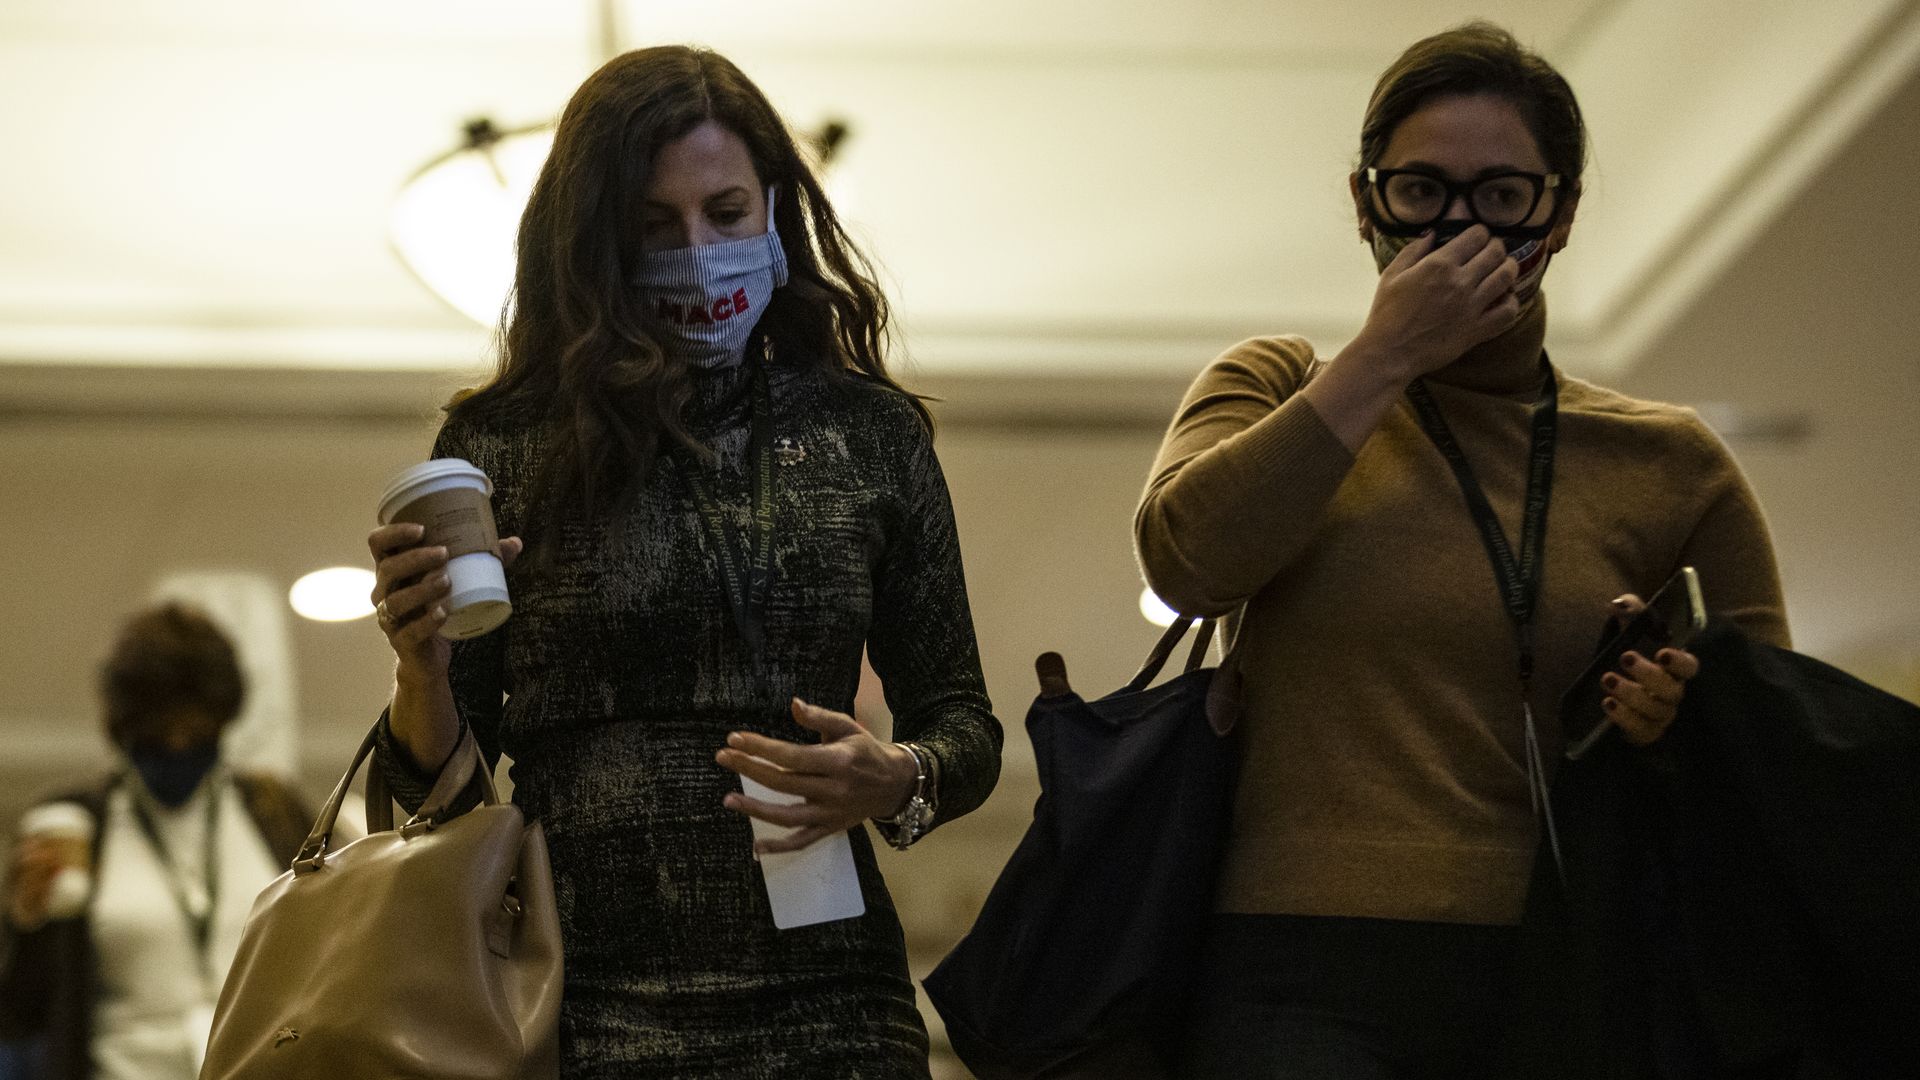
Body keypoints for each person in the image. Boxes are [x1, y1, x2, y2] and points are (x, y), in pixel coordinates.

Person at [1132, 22, 1791, 1079]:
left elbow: (1768, 753)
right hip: (1295, 964)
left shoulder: (1672, 465)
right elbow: (1186, 564)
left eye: (1500, 196)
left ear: (1562, 214)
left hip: (1576, 956)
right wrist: (1385, 355)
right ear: (1364, 203)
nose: (1458, 229)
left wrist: (1677, 717)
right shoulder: (1275, 386)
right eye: (1421, 192)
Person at [364, 46, 1001, 1079]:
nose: (698, 251)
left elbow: (964, 723)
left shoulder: (867, 434)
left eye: (727, 212)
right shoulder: (500, 446)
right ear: (592, 242)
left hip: (835, 1001)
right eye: (653, 226)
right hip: (578, 998)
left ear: (776, 215)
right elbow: (433, 804)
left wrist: (897, 778)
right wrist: (418, 667)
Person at [0, 603, 314, 1080]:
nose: (178, 746)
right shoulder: (78, 826)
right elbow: (18, 1015)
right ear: (125, 729)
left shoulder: (275, 811)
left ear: (222, 720)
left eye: (195, 731)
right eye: (158, 732)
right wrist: (24, 922)